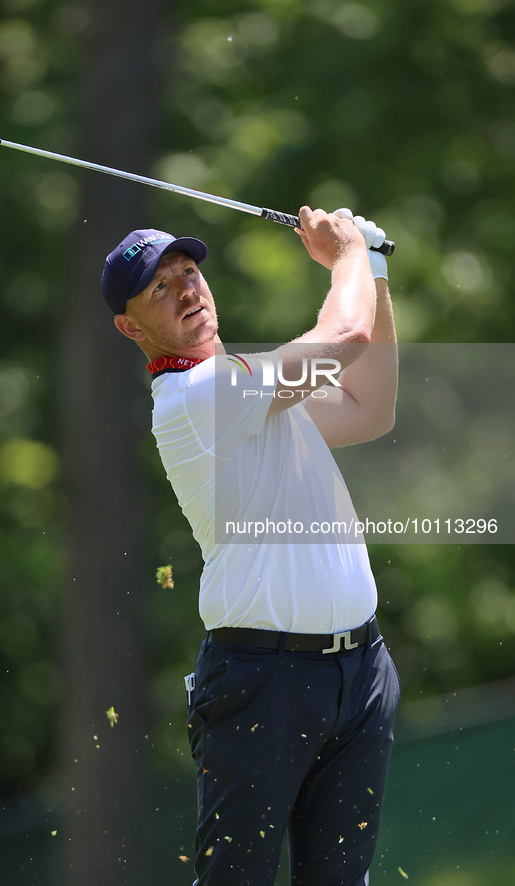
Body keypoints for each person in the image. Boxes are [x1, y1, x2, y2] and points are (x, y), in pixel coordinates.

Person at [101, 206, 400, 886]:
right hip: (262, 683)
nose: (186, 289)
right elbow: (344, 334)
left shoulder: (250, 389)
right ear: (130, 326)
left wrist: (373, 271)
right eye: (159, 288)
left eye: (188, 272)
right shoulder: (196, 397)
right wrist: (348, 253)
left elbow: (370, 407)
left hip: (359, 672)